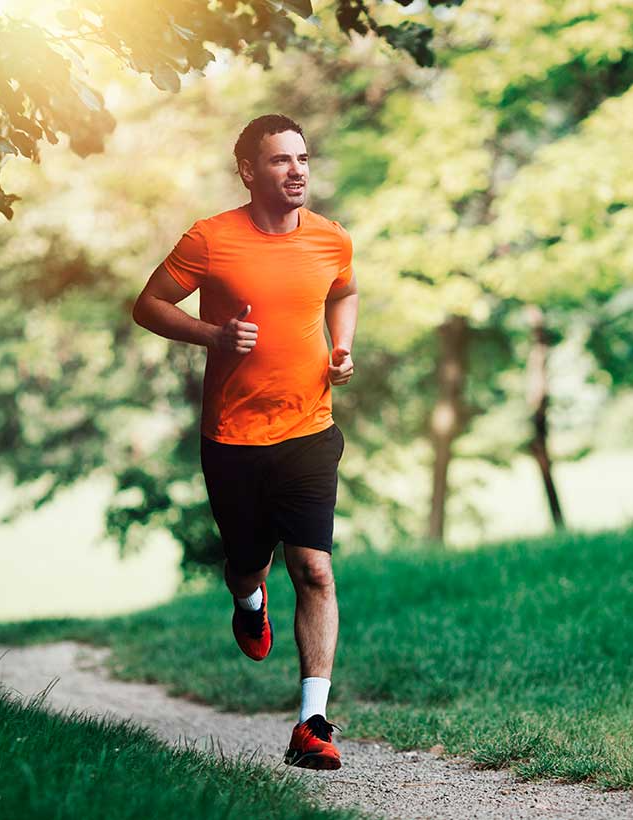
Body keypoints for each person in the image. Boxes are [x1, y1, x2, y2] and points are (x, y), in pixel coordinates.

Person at [132, 113, 358, 770]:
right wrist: (214, 336)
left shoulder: (331, 238)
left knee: (314, 569)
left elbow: (345, 291)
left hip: (310, 429)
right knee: (248, 566)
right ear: (249, 172)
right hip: (233, 438)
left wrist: (343, 348)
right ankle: (248, 602)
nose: (297, 171)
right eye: (281, 160)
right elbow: (149, 305)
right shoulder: (210, 239)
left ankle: (311, 723)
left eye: (303, 158)